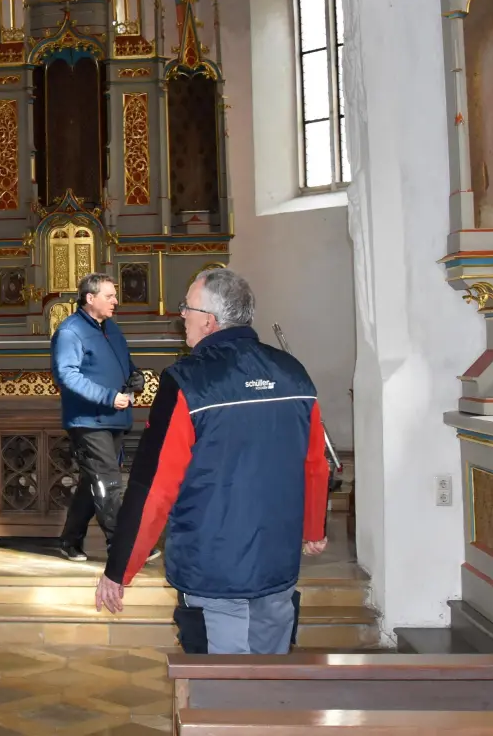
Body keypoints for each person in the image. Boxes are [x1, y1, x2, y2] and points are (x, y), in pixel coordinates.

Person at [95, 269, 329, 655]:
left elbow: (153, 486)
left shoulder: (186, 381)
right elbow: (315, 464)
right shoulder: (294, 373)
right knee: (272, 681)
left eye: (185, 307)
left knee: (220, 689)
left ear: (209, 320)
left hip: (213, 569)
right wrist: (313, 528)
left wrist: (120, 568)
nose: (180, 315)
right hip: (276, 561)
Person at [51, 272, 138, 561]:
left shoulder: (111, 328)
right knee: (109, 481)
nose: (116, 301)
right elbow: (67, 376)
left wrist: (134, 377)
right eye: (110, 296)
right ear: (90, 298)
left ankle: (69, 540)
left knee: (93, 481)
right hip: (88, 421)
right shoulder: (70, 331)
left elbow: (125, 363)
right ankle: (122, 544)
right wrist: (108, 396)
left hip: (113, 418)